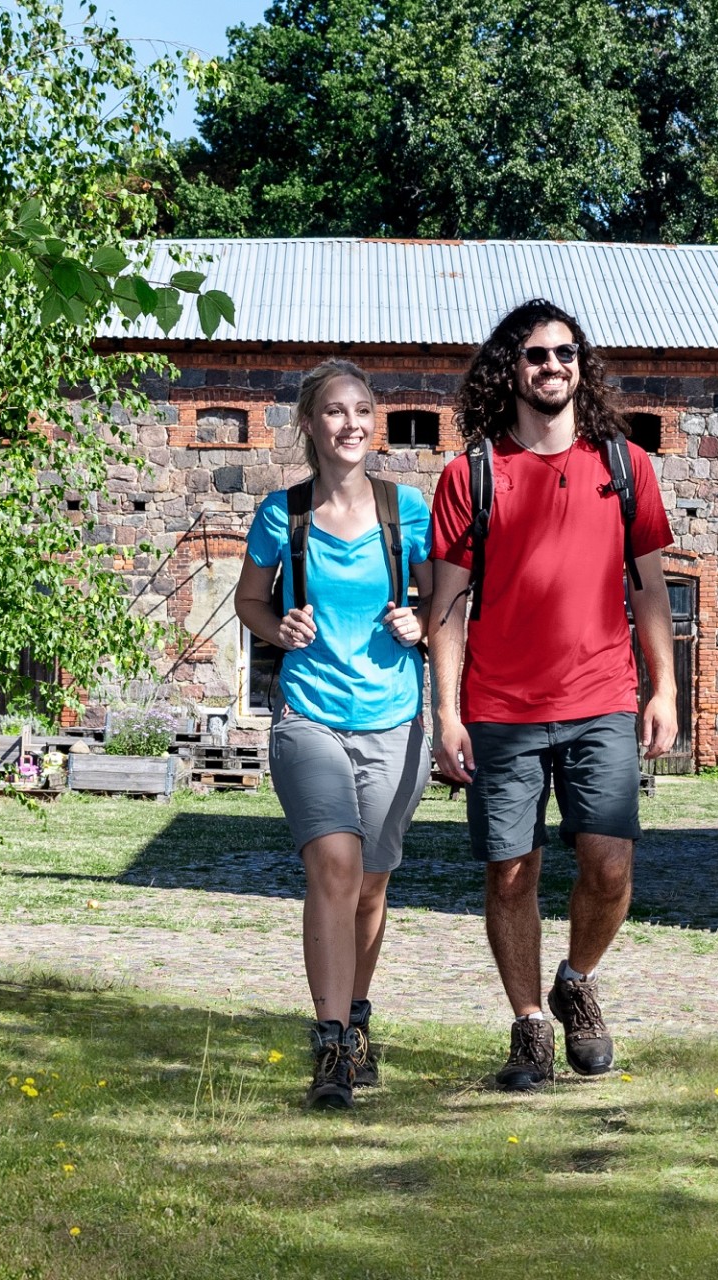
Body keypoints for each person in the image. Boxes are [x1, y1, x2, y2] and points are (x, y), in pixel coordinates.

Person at [425, 300, 678, 1091]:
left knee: (609, 864)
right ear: (513, 367)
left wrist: (664, 686)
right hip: (501, 708)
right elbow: (446, 606)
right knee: (510, 875)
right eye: (536, 355)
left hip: (602, 696)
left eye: (565, 354)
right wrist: (445, 712)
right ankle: (530, 1023)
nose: (552, 367)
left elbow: (650, 594)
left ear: (582, 364)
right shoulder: (472, 474)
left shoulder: (626, 466)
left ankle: (578, 980)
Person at [234, 359, 434, 1110]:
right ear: (310, 426)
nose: (350, 424)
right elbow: (249, 601)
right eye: (334, 412)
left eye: (362, 410)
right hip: (309, 716)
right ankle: (328, 1049)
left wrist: (423, 618)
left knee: (373, 885)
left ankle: (355, 1021)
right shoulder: (280, 515)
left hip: (394, 718)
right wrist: (276, 625)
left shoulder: (406, 510)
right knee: (336, 869)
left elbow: (450, 599)